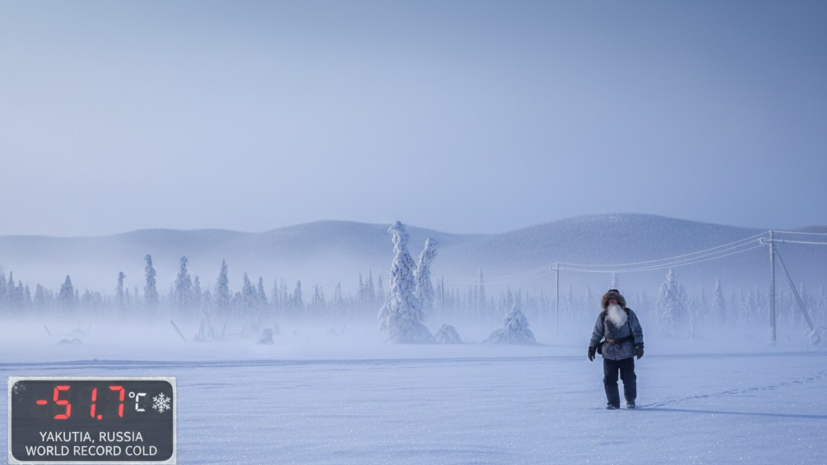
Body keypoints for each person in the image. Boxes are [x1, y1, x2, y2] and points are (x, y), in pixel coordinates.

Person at [588, 289, 644, 409]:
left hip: (626, 353)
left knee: (629, 379)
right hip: (609, 354)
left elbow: (637, 330)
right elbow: (597, 333)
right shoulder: (603, 316)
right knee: (609, 380)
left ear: (619, 301)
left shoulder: (628, 313)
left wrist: (640, 345)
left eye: (614, 300)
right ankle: (613, 404)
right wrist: (592, 347)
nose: (612, 302)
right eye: (610, 300)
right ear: (606, 303)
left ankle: (630, 401)